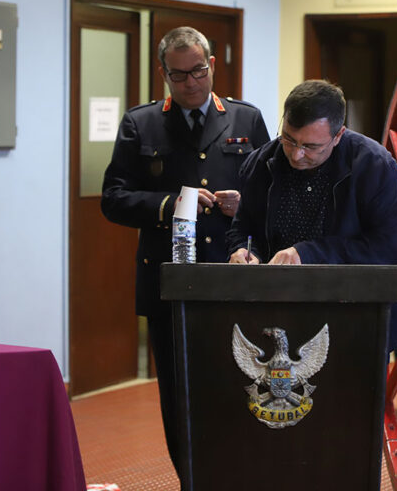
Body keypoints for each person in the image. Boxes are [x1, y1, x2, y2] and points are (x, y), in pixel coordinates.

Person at [101, 26, 269, 470]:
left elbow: (273, 194)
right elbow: (113, 199)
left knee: (240, 387)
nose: (190, 83)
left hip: (232, 276)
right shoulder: (141, 123)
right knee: (180, 396)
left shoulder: (246, 119)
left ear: (211, 65)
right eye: (178, 75)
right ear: (163, 74)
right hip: (170, 282)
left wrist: (244, 204)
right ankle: (190, 478)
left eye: (198, 71)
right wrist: (170, 204)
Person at [227, 79, 397, 350]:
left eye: (311, 146)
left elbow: (385, 249)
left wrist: (308, 253)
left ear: (338, 136)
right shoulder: (259, 165)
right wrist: (244, 251)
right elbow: (242, 228)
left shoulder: (375, 167)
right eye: (289, 139)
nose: (296, 154)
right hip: (278, 314)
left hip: (356, 315)